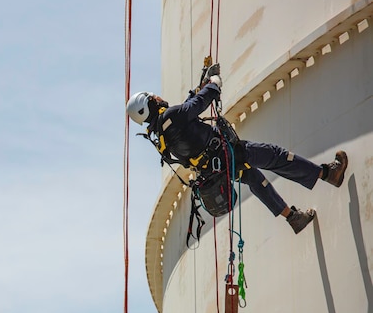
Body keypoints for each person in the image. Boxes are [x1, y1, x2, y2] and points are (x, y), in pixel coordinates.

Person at [126, 66, 348, 234]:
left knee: (255, 179)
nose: (157, 97)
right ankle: (328, 174)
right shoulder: (172, 116)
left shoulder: (161, 136)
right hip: (228, 154)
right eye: (152, 97)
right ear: (150, 105)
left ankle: (293, 218)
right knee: (276, 155)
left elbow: (187, 109)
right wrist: (213, 83)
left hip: (216, 170)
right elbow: (199, 104)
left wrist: (198, 87)